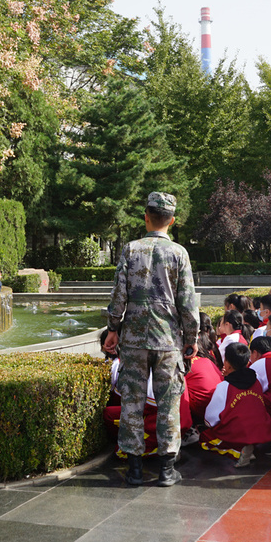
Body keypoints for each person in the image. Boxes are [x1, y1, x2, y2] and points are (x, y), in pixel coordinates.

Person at [104, 192, 200, 487]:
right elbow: (187, 302)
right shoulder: (179, 254)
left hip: (133, 340)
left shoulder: (131, 250)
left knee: (132, 402)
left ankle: (134, 469)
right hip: (168, 341)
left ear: (145, 217)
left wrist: (113, 328)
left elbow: (118, 295)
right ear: (171, 221)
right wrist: (191, 337)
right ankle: (167, 470)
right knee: (168, 403)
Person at [200, 343, 271, 467]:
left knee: (205, 439)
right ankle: (247, 446)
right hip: (262, 429)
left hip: (239, 430)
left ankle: (236, 452)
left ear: (228, 364)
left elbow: (210, 419)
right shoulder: (256, 379)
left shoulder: (224, 386)